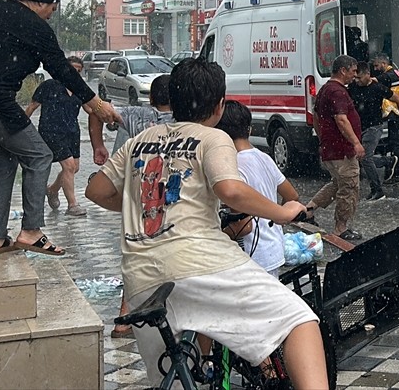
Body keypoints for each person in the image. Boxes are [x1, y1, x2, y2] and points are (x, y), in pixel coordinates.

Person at [84, 58, 326, 389]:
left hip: (141, 279)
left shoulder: (137, 142)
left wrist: (144, 207)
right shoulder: (212, 138)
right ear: (220, 105)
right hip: (201, 264)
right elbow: (229, 189)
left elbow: (95, 190)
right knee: (299, 321)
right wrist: (284, 212)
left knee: (176, 377)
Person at [0, 0, 120, 257]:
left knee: (3, 162)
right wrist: (97, 103)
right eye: (52, 6)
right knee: (39, 155)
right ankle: (31, 231)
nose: (52, 12)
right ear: (38, 1)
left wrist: (92, 104)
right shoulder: (36, 27)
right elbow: (62, 69)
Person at [91, 74, 175, 339]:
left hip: (137, 193)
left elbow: (96, 108)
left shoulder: (135, 114)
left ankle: (124, 319)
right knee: (165, 252)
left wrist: (98, 144)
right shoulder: (183, 121)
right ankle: (158, 314)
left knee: (136, 252)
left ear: (151, 97)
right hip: (168, 197)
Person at [216, 100, 298, 277]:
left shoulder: (232, 166)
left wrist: (214, 237)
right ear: (249, 129)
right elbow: (292, 196)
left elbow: (243, 227)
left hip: (251, 257)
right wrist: (274, 220)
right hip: (273, 249)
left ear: (220, 134)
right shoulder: (265, 158)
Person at [306, 55, 364, 241]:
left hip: (330, 148)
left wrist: (323, 138)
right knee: (349, 187)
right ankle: (341, 228)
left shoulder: (325, 89)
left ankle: (308, 210)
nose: (354, 75)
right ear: (343, 70)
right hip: (342, 151)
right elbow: (341, 119)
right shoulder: (338, 92)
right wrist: (355, 142)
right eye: (353, 71)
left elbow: (315, 116)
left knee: (337, 183)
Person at [23, 56, 88, 218]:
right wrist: (20, 129)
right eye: (72, 69)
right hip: (51, 132)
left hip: (72, 132)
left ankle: (52, 190)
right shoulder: (49, 86)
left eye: (78, 71)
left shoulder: (80, 89)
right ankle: (73, 205)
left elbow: (92, 108)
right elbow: (31, 107)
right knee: (69, 166)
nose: (75, 73)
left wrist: (108, 113)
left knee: (74, 168)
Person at [349, 62, 390, 201]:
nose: (357, 80)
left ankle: (378, 190)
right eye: (355, 78)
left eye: (360, 77)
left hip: (374, 127)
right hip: (360, 127)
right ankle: (388, 161)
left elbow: (398, 100)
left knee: (365, 157)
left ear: (368, 74)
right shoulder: (353, 87)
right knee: (360, 157)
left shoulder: (377, 87)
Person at [369, 54, 399, 183]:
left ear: (383, 63)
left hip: (396, 113)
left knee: (395, 144)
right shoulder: (397, 72)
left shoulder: (387, 76)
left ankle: (397, 173)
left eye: (377, 65)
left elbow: (372, 81)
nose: (375, 68)